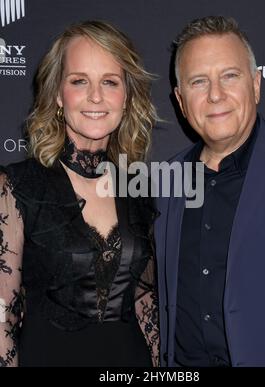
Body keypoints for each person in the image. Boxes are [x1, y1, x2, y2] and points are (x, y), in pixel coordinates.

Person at [0, 20, 159, 367]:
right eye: (79, 81)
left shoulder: (140, 191)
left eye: (110, 82)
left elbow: (146, 304)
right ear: (58, 93)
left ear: (126, 95)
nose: (96, 96)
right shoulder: (17, 187)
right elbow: (2, 317)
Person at [155, 15, 265, 367]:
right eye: (199, 81)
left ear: (256, 85)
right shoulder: (163, 182)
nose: (215, 94)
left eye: (230, 76)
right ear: (180, 99)